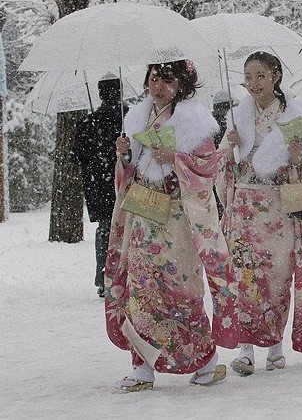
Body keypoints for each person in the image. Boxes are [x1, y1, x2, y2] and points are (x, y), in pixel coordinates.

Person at [105, 60, 238, 392]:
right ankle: (143, 366)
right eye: (154, 79)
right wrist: (123, 155)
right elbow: (130, 173)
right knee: (140, 289)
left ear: (182, 84)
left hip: (179, 217)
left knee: (181, 290)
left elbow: (207, 169)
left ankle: (204, 360)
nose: (158, 86)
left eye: (167, 80)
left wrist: (176, 159)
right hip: (143, 216)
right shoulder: (137, 117)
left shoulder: (194, 121)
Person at [217, 51, 302, 376]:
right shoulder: (237, 120)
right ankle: (246, 350)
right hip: (246, 208)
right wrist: (231, 150)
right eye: (248, 77)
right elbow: (223, 169)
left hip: (280, 209)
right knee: (245, 278)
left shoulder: (296, 118)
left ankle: (275, 346)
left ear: (276, 76)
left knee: (277, 277)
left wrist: (295, 158)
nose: (253, 83)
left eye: (260, 75)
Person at [72, 77, 124, 298]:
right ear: (120, 92)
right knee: (127, 229)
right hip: (124, 182)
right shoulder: (129, 117)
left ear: (100, 94)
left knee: (105, 229)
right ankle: (124, 274)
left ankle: (104, 276)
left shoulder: (87, 122)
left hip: (98, 186)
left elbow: (76, 156)